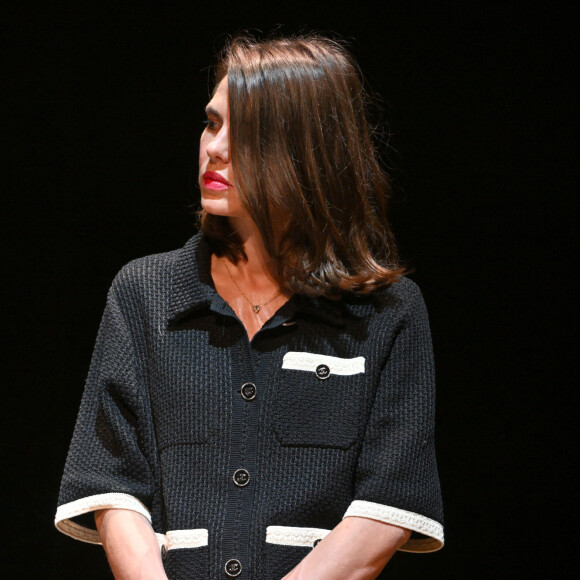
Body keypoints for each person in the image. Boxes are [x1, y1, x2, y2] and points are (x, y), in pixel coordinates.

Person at [55, 34, 444, 579]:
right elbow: (114, 489)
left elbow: (386, 510)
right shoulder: (144, 293)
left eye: (249, 134)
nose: (214, 148)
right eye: (213, 123)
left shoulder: (385, 312)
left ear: (310, 149)